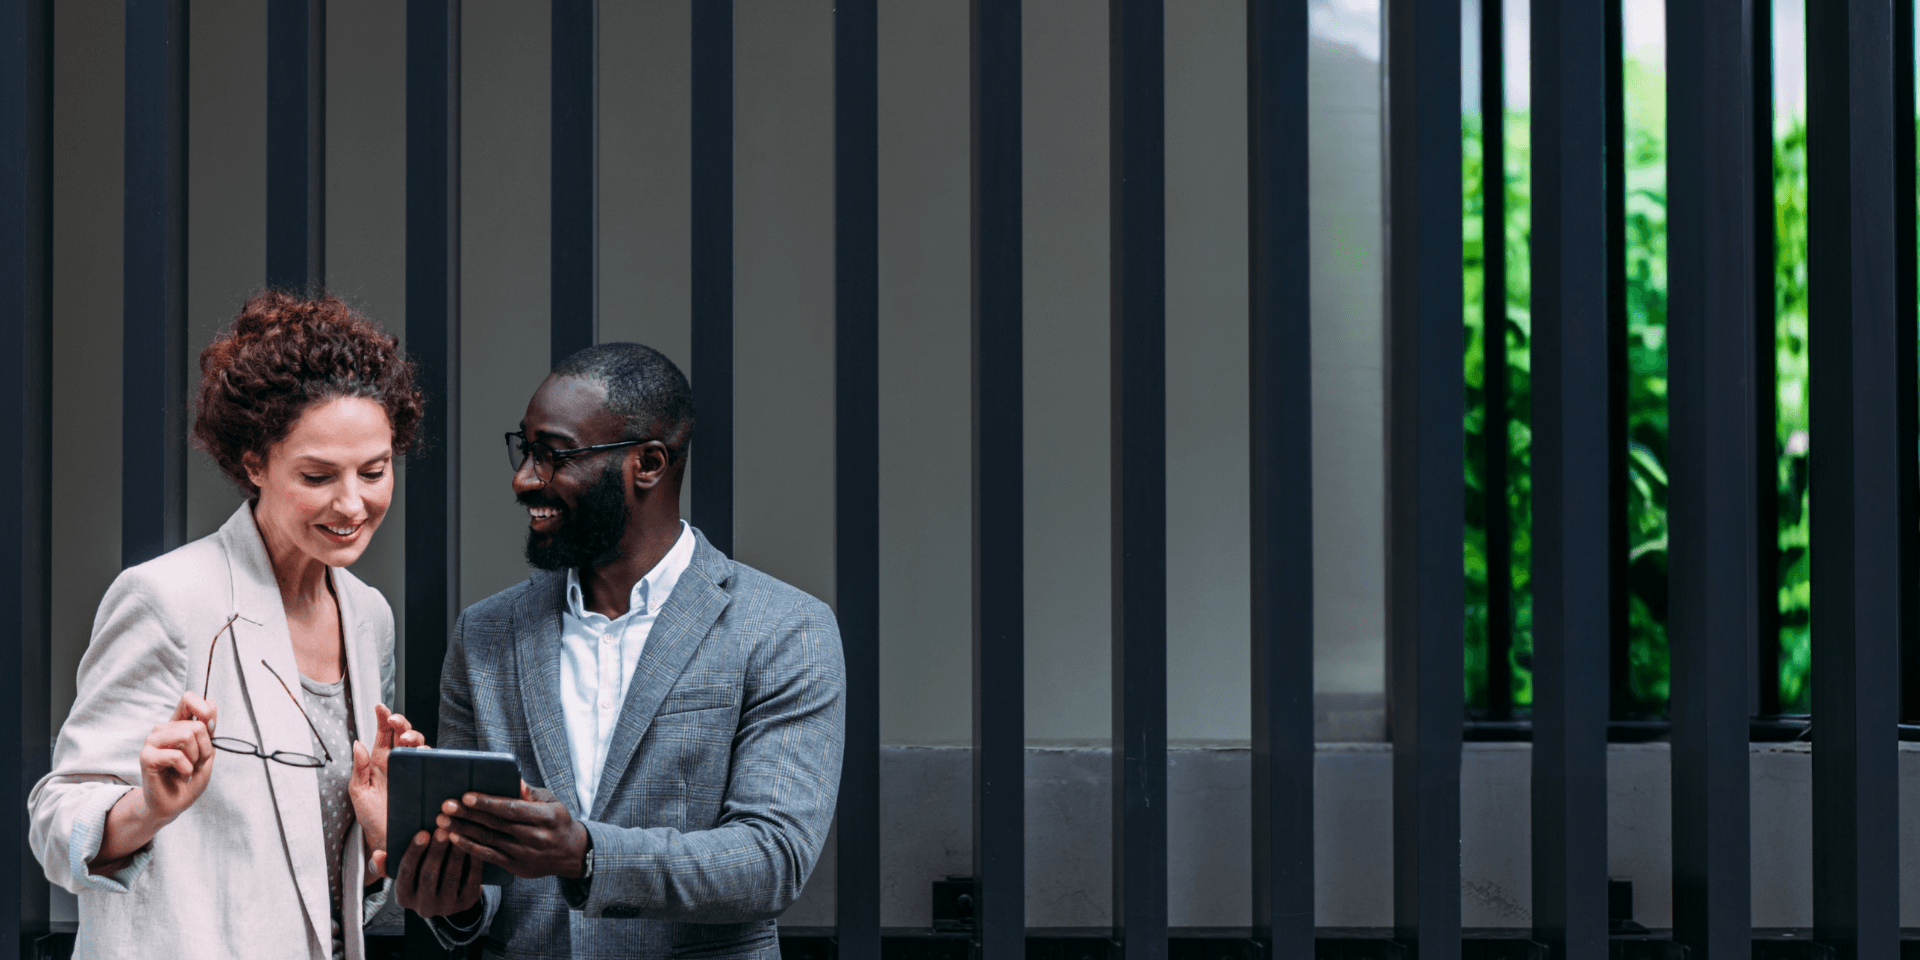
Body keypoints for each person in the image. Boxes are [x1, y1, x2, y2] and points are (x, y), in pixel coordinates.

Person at [393, 342, 845, 959]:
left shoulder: (784, 628)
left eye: (554, 455)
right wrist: (458, 901)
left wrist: (585, 853)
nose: (525, 478)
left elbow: (771, 859)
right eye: (525, 451)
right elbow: (482, 873)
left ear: (649, 464)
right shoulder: (486, 634)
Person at [29, 291, 429, 960]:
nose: (352, 502)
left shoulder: (368, 616)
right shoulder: (167, 599)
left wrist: (384, 833)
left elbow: (322, 886)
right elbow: (56, 820)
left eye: (375, 471)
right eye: (318, 474)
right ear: (253, 462)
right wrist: (147, 809)